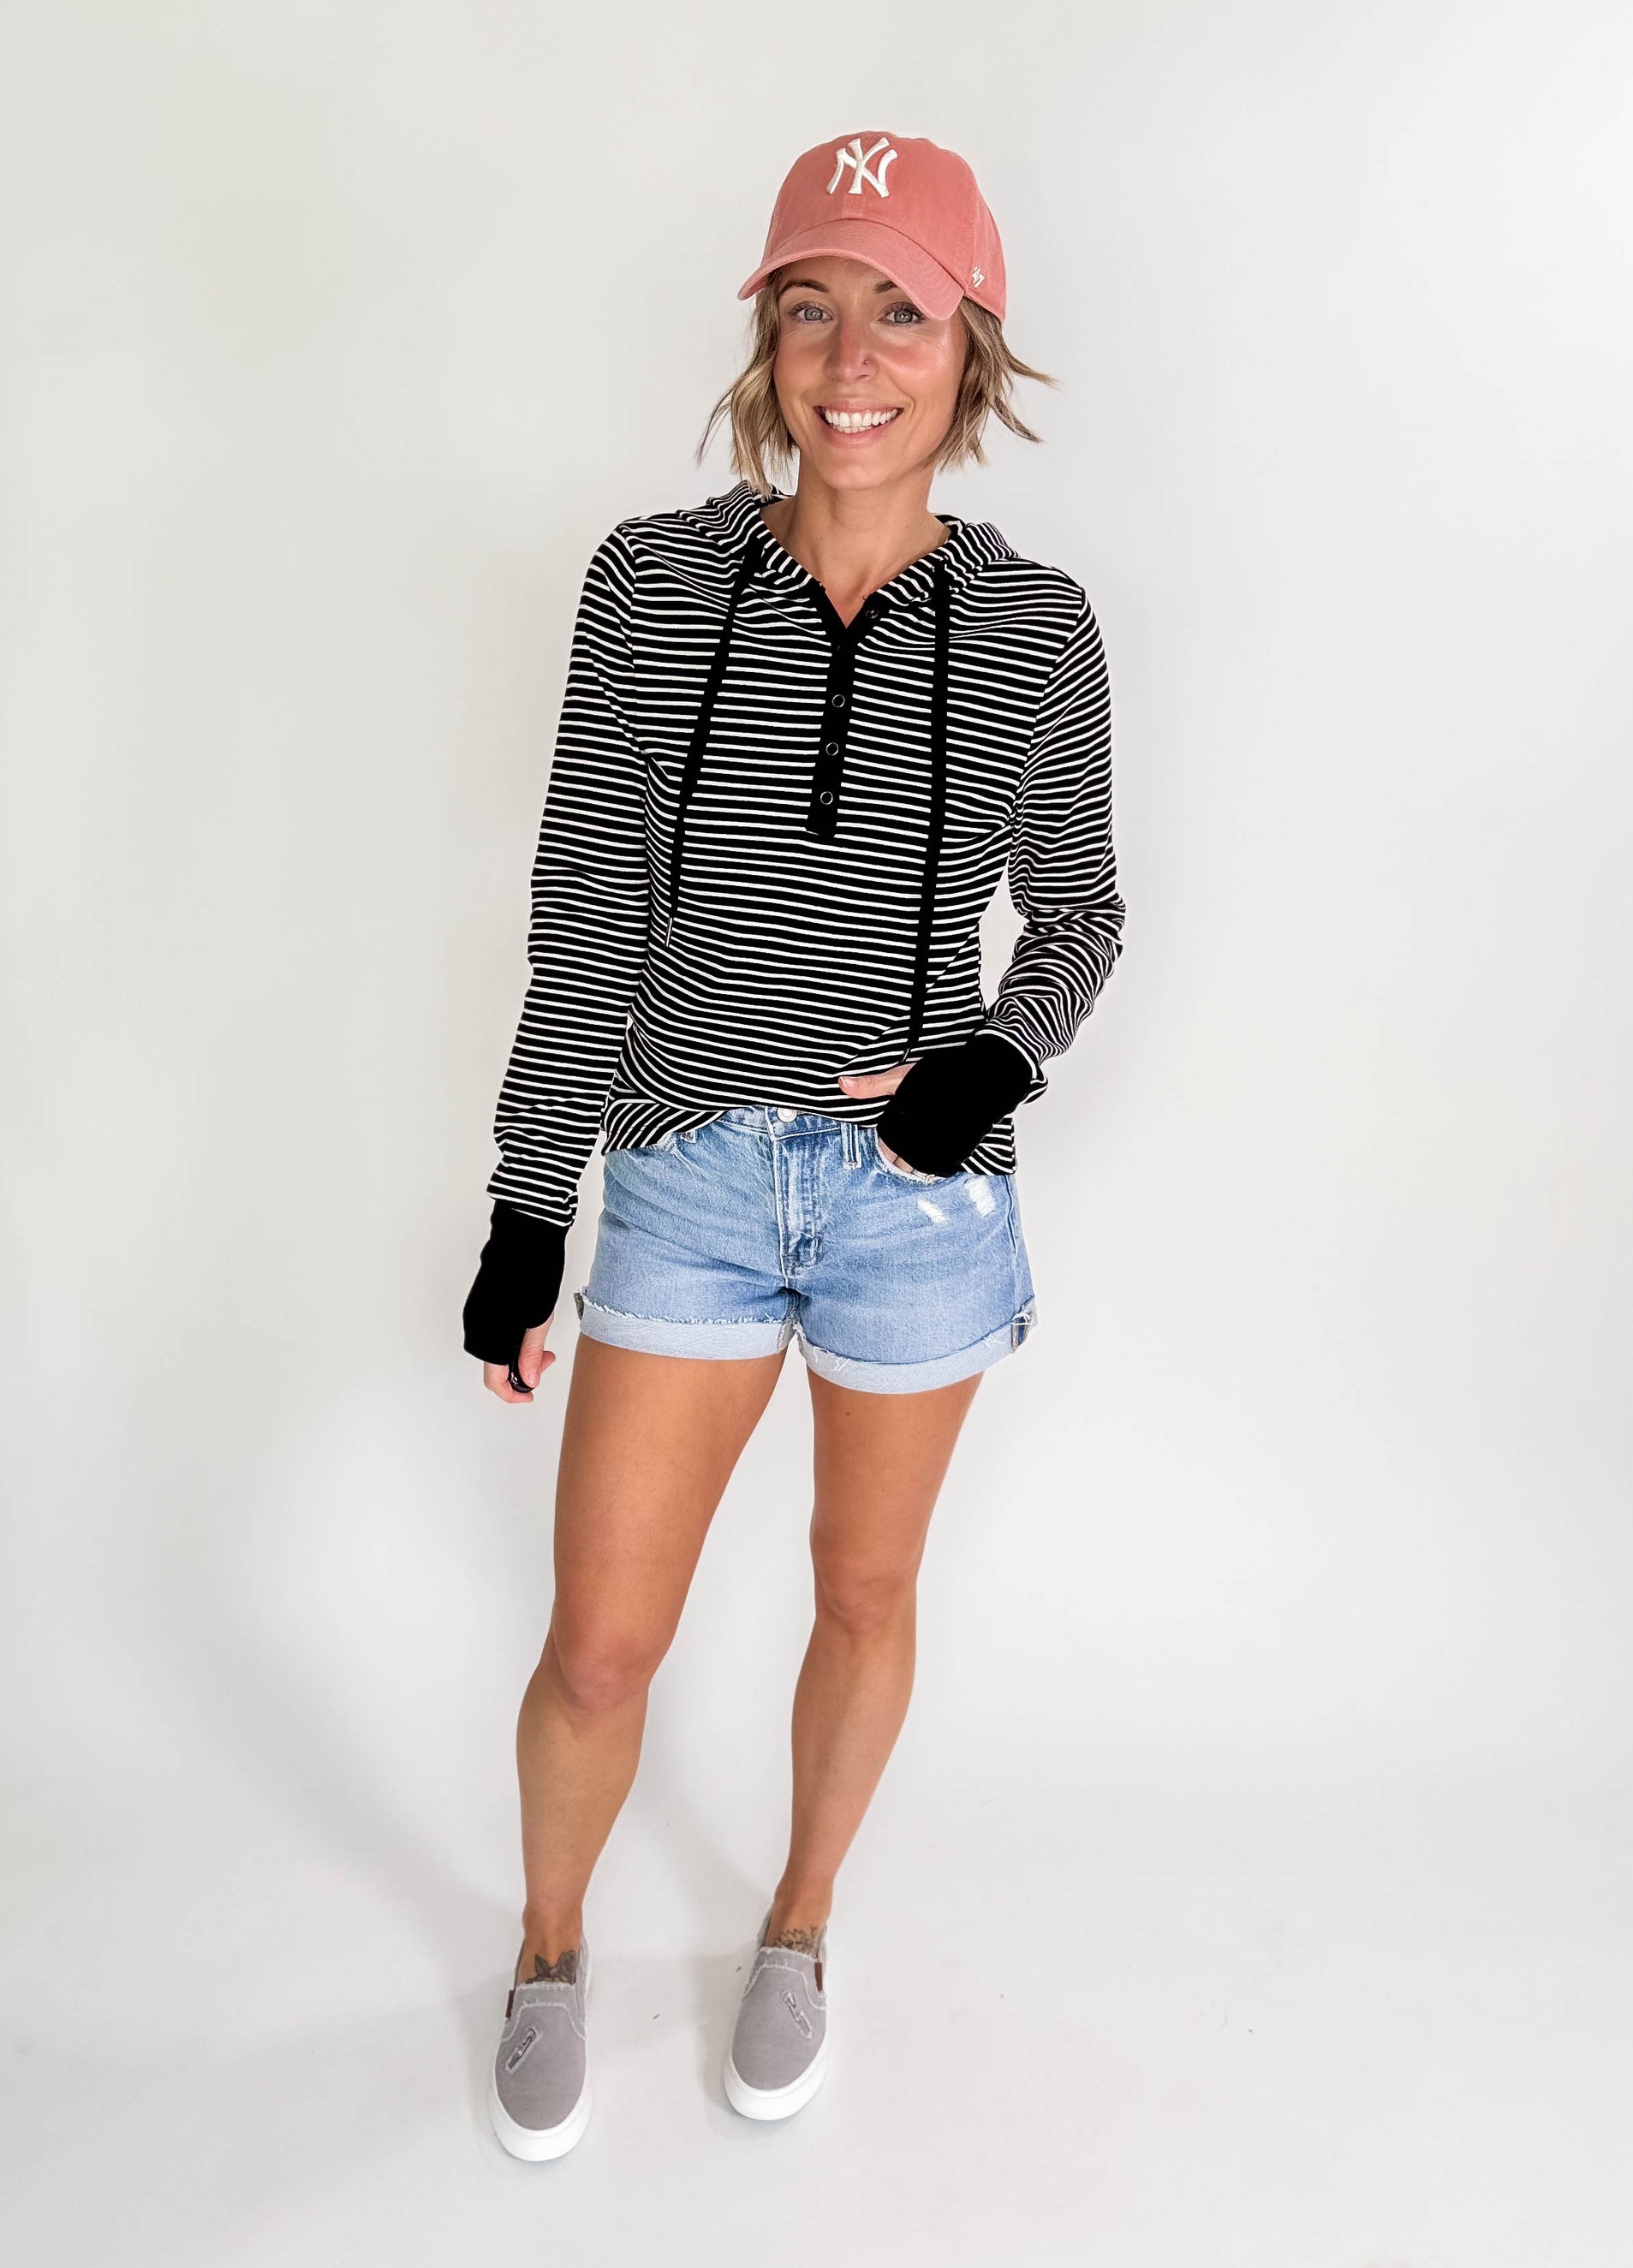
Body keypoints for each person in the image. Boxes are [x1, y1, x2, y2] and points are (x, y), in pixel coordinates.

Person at [462, 129, 1124, 2158]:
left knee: (861, 1591)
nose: (852, 358)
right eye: (810, 307)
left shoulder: (1038, 625)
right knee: (602, 1644)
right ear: (764, 339)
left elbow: (1079, 913)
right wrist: (526, 1205)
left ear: (970, 343)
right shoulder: (652, 583)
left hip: (914, 1207)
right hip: (682, 1174)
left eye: (900, 310)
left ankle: (802, 1918)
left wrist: (985, 1065)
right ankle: (549, 1944)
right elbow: (588, 909)